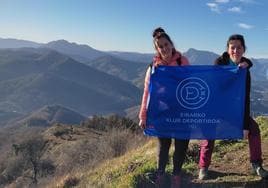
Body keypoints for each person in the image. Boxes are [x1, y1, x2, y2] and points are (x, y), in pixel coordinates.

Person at [198, 34, 268, 180]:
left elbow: (245, 98)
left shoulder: (245, 70)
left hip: (235, 111)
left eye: (239, 47)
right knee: (209, 130)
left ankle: (256, 164)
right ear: (228, 49)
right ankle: (203, 167)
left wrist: (244, 126)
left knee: (253, 128)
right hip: (217, 109)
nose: (235, 50)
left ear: (244, 49)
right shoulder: (219, 64)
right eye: (232, 47)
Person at [139, 27, 190, 187]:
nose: (164, 48)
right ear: (157, 49)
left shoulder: (183, 61)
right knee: (164, 145)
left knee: (181, 144)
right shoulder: (153, 67)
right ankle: (160, 174)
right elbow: (147, 92)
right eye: (160, 46)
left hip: (182, 110)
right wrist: (143, 115)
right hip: (162, 111)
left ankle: (176, 175)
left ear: (171, 44)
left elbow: (191, 84)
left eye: (166, 44)